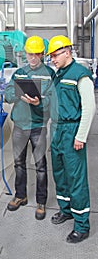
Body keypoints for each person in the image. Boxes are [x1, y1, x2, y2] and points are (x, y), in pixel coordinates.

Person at [45, 35, 96, 243]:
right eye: (51, 57)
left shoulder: (80, 75)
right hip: (57, 130)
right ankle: (66, 209)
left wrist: (81, 136)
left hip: (72, 130)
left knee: (76, 178)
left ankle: (82, 225)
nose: (53, 60)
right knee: (59, 173)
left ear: (67, 52)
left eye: (55, 55)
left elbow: (89, 108)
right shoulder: (59, 75)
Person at [5, 35, 55, 220]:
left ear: (42, 54)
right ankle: (21, 196)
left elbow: (53, 99)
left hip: (38, 126)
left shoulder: (50, 74)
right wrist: (19, 96)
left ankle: (41, 201)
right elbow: (8, 93)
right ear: (25, 54)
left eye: (35, 55)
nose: (32, 58)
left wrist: (39, 102)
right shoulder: (19, 72)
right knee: (19, 163)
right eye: (29, 54)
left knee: (40, 165)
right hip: (20, 125)